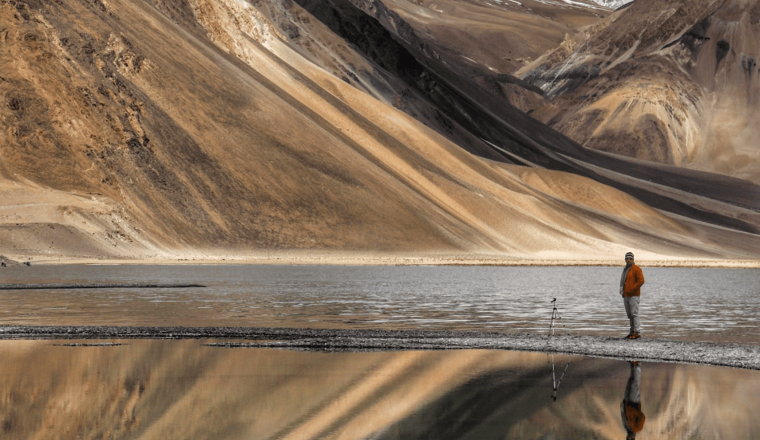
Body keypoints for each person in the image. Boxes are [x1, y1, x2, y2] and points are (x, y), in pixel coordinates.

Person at [620, 252, 644, 339]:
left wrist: (633, 288)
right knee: (630, 315)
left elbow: (641, 280)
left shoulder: (636, 269)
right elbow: (623, 281)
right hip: (626, 295)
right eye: (627, 259)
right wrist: (622, 290)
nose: (628, 260)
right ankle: (632, 331)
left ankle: (637, 332)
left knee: (634, 314)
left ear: (633, 259)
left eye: (630, 259)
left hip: (633, 295)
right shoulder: (625, 269)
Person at [621, 361, 646, 439]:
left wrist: (623, 405)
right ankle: (637, 365)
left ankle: (633, 366)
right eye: (629, 438)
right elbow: (642, 417)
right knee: (635, 383)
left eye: (627, 438)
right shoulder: (637, 428)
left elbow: (623, 415)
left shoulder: (626, 428)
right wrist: (634, 410)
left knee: (630, 382)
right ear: (632, 437)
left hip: (627, 401)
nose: (627, 437)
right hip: (634, 402)